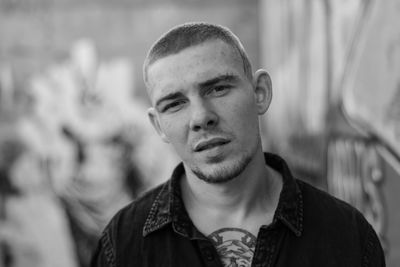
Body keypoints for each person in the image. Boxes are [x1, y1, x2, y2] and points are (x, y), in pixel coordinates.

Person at [91, 22, 385, 267]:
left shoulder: (346, 234)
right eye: (175, 104)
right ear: (158, 126)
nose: (201, 117)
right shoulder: (122, 245)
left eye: (218, 89)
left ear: (260, 93)